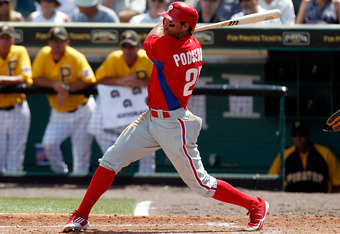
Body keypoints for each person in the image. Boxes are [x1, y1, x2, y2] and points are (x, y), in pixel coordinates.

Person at [62, 2, 269, 232]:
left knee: (202, 184)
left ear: (184, 27)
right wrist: (173, 27)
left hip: (173, 124)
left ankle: (255, 205)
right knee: (110, 161)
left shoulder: (171, 47)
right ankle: (81, 215)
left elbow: (149, 40)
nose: (166, 24)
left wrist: (161, 27)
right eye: (167, 21)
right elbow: (167, 36)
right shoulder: (191, 43)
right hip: (151, 118)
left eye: (172, 22)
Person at [88, 30, 156, 173]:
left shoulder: (147, 59)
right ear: (120, 47)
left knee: (147, 142)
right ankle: (113, 172)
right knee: (105, 135)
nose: (128, 50)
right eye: (125, 46)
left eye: (131, 46)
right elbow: (98, 79)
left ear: (138, 47)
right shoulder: (114, 58)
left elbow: (162, 81)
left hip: (142, 109)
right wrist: (119, 81)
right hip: (119, 110)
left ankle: (147, 178)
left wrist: (143, 82)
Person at [32, 26, 96, 174]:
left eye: (60, 41)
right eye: (53, 41)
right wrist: (54, 85)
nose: (56, 44)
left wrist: (67, 90)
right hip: (59, 112)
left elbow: (89, 79)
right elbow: (35, 78)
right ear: (49, 42)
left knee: (81, 153)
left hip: (82, 110)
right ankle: (60, 174)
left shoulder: (75, 56)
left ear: (67, 42)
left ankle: (80, 185)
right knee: (49, 143)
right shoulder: (44, 54)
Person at [269, 120, 340, 193]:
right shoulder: (284, 155)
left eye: (302, 134)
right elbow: (271, 180)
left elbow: (338, 183)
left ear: (308, 134)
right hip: (291, 200)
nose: (298, 137)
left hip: (321, 199)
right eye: (294, 134)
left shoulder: (326, 153)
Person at [0, 23, 32, 173]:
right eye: (2, 38)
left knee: (16, 153)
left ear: (13, 39)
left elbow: (25, 78)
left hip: (17, 108)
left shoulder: (20, 51)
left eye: (7, 38)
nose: (4, 41)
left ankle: (14, 192)